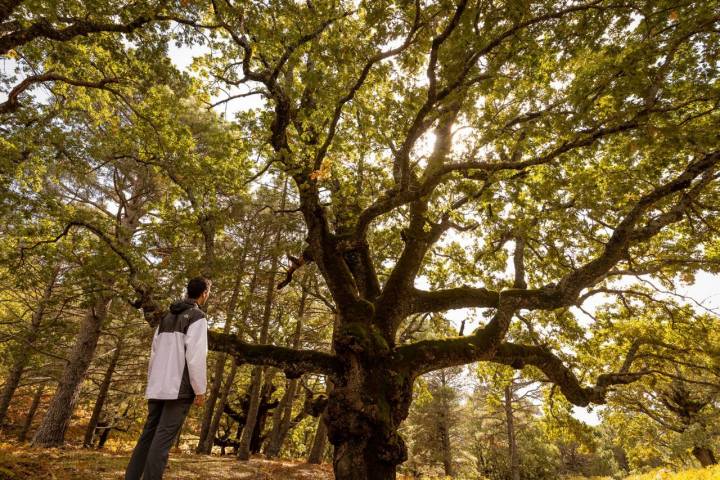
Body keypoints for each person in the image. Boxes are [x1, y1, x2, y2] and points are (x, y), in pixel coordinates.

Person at [125, 277, 211, 480]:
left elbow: (154, 353)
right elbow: (196, 356)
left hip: (157, 385)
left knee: (148, 436)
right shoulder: (197, 317)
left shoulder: (166, 317)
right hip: (178, 389)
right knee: (162, 440)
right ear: (204, 293)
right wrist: (200, 390)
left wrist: (152, 383)